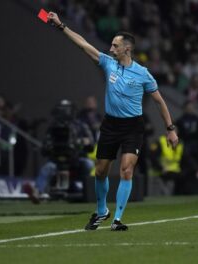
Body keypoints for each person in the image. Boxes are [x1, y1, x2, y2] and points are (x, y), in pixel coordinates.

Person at [47, 12, 179, 231]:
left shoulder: (143, 74)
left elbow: (159, 101)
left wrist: (170, 129)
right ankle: (102, 211)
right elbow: (83, 44)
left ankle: (117, 219)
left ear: (127, 48)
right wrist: (61, 26)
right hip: (110, 125)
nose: (111, 49)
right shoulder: (108, 64)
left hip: (132, 127)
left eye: (115, 46)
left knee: (127, 170)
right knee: (100, 171)